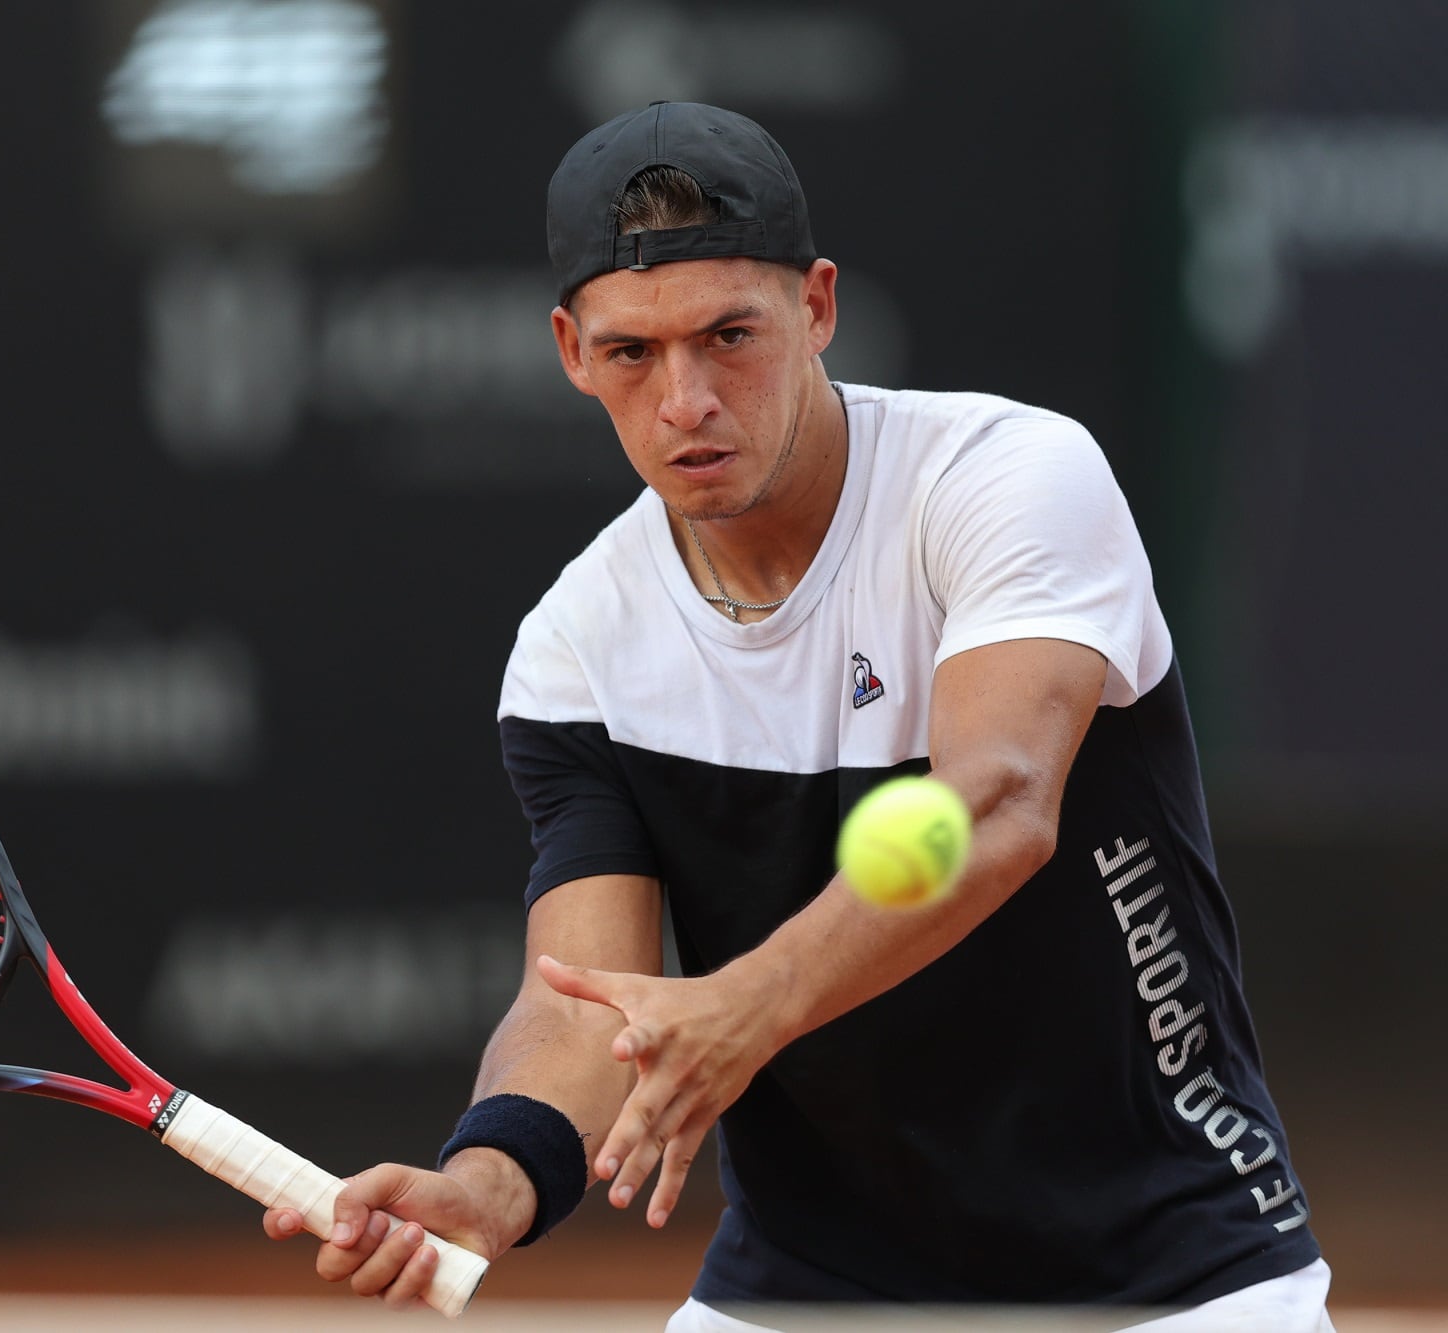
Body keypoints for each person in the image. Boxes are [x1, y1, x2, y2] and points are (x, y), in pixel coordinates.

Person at [261, 101, 1333, 1331]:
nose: (685, 400)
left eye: (729, 335)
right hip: (809, 1286)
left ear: (816, 307)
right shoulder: (576, 647)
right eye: (631, 352)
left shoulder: (1004, 478)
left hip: (1167, 1269)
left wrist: (746, 1002)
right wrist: (489, 1182)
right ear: (570, 352)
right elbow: (581, 1000)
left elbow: (997, 803)